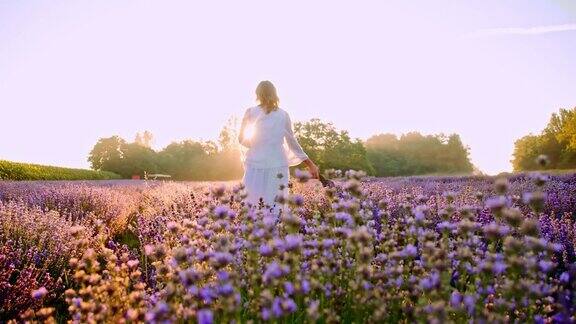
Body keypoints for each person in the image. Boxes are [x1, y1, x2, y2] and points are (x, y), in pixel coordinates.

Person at [239, 80, 320, 208]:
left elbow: (241, 140)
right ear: (275, 94)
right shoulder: (283, 115)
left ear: (257, 94)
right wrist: (310, 164)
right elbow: (293, 143)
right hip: (277, 165)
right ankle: (275, 227)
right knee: (276, 205)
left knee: (252, 205)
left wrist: (257, 144)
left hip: (255, 165)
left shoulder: (249, 112)